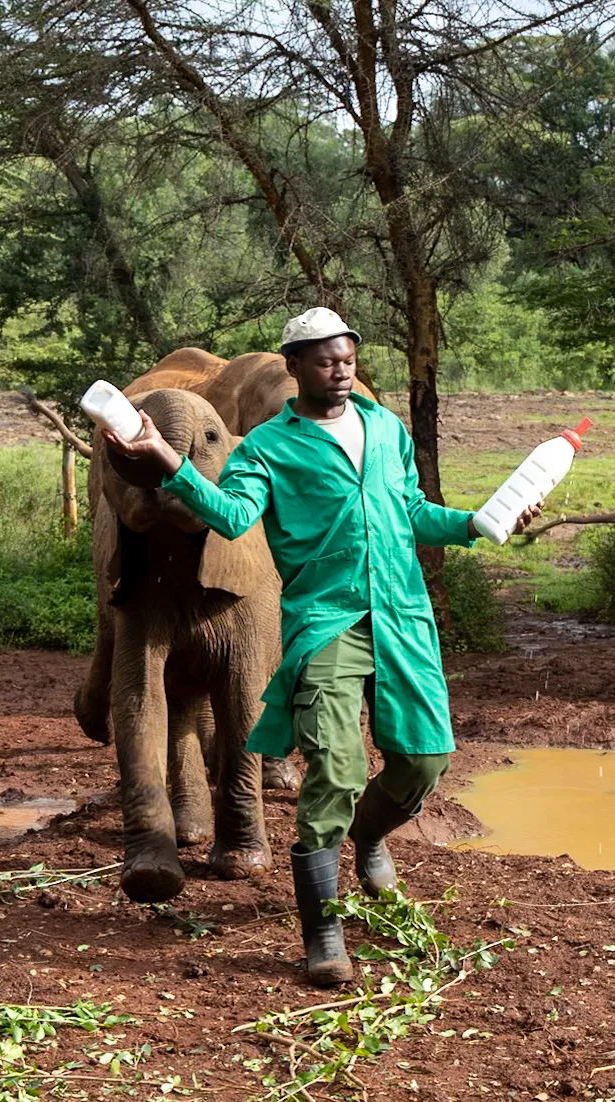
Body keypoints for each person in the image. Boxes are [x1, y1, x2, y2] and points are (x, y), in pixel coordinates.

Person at [104, 307, 540, 986]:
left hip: (401, 617)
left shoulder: (386, 431)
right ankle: (323, 934)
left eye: (349, 359)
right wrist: (171, 466)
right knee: (333, 771)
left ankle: (367, 835)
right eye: (327, 361)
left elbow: (412, 512)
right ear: (295, 367)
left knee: (425, 763)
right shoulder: (268, 448)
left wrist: (480, 522)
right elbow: (232, 516)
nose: (342, 371)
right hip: (327, 622)